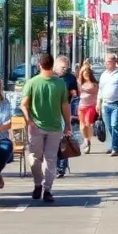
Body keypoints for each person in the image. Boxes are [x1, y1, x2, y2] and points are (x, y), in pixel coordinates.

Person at [20, 53, 71, 203]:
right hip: (55, 126)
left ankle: (38, 184)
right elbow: (65, 106)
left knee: (35, 158)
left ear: (40, 65)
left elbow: (24, 104)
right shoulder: (60, 83)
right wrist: (67, 124)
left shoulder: (32, 83)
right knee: (50, 159)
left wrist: (29, 120)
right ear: (52, 65)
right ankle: (47, 189)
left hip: (36, 126)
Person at [54, 56, 80, 177]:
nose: (65, 69)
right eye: (62, 67)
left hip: (65, 110)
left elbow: (75, 95)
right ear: (56, 66)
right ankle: (53, 165)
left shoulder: (70, 78)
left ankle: (61, 167)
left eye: (66, 67)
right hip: (51, 111)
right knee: (52, 140)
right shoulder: (50, 77)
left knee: (64, 139)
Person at [76, 63, 99, 153]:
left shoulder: (94, 84)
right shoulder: (79, 82)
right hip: (82, 106)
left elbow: (95, 93)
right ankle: (86, 139)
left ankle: (88, 140)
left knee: (87, 122)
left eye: (88, 72)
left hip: (91, 106)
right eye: (84, 72)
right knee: (82, 126)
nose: (86, 74)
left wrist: (98, 105)